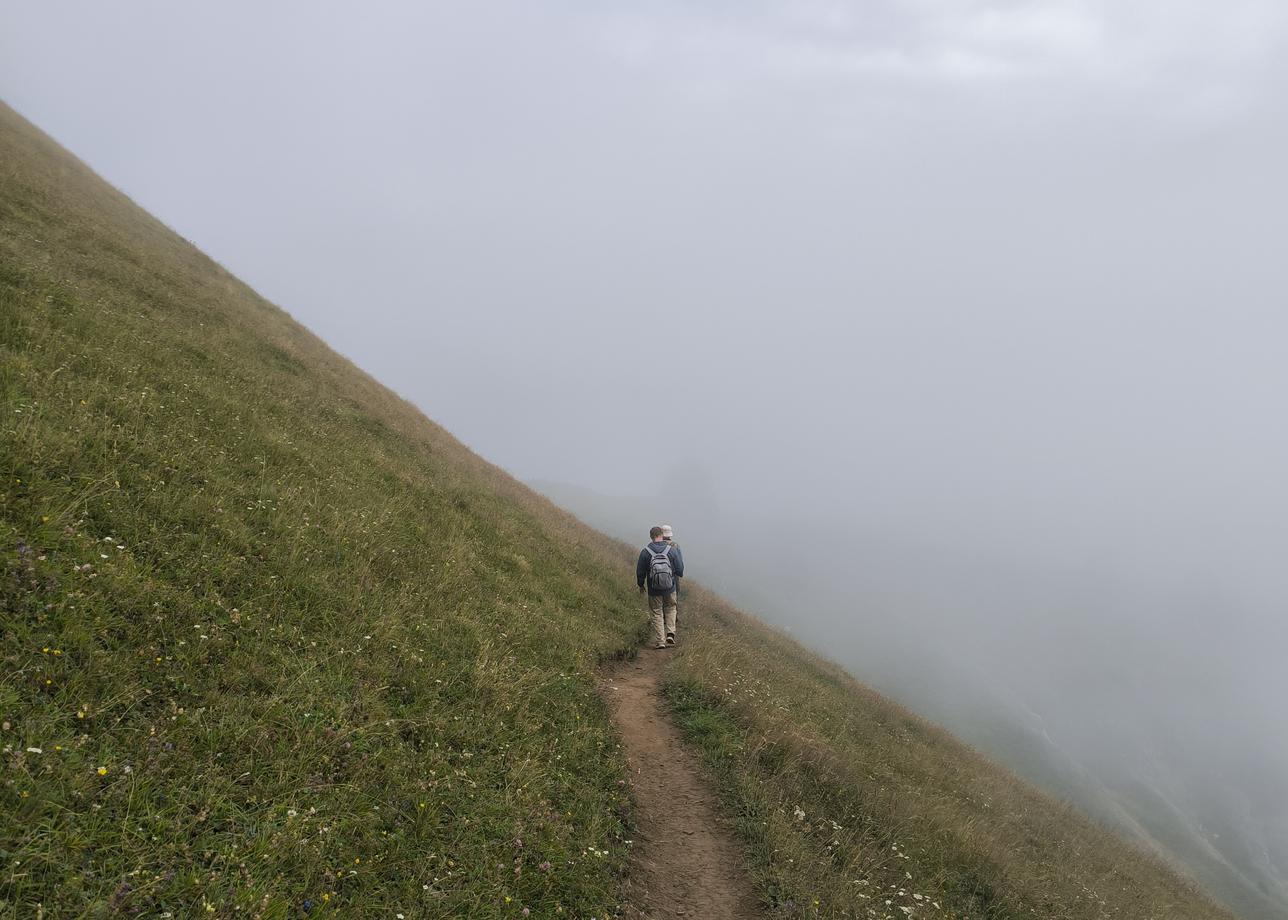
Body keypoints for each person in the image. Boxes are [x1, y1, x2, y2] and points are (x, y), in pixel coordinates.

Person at [636, 525, 683, 649]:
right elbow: (680, 569)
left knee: (656, 612)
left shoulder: (645, 552)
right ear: (662, 535)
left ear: (651, 537)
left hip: (653, 589)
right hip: (670, 587)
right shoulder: (671, 550)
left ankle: (660, 641)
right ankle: (670, 633)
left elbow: (640, 572)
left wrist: (641, 585)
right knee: (671, 608)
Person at [660, 523, 683, 613]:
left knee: (660, 596)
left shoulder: (657, 545)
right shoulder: (675, 546)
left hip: (659, 574)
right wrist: (679, 573)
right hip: (673, 575)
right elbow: (680, 563)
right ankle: (673, 616)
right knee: (673, 597)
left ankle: (661, 616)